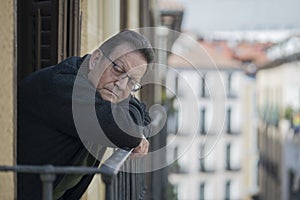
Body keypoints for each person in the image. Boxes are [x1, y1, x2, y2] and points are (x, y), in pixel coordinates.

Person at [17, 30, 154, 200]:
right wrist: (134, 133)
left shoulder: (101, 93)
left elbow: (144, 114)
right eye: (118, 69)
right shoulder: (64, 88)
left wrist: (134, 128)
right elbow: (124, 131)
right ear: (95, 59)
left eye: (132, 82)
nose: (121, 84)